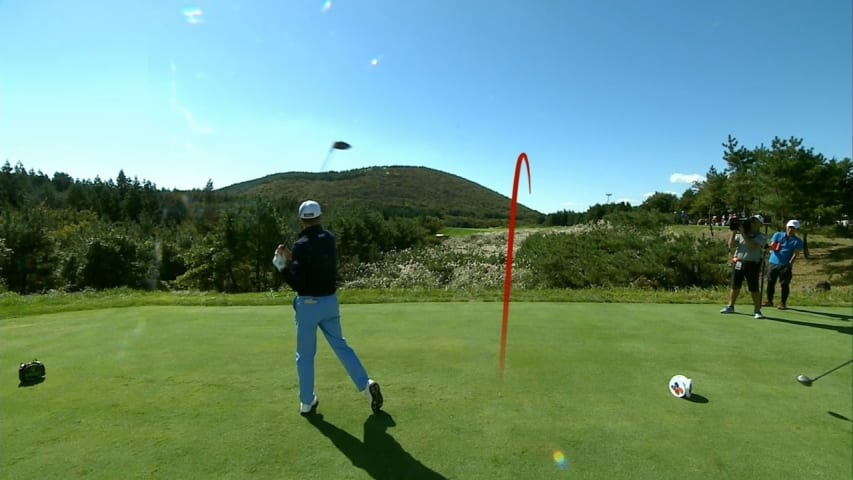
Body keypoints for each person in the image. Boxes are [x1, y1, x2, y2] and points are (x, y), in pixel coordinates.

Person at [274, 200, 383, 416]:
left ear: (301, 220)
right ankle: (365, 384)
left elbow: (299, 283)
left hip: (308, 306)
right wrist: (291, 256)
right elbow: (311, 260)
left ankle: (307, 402)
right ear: (320, 217)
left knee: (305, 356)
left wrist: (282, 266)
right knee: (341, 346)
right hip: (330, 303)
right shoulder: (329, 238)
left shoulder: (301, 244)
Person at [720, 215, 767, 319]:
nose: (752, 223)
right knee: (735, 285)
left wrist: (742, 232)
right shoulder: (741, 234)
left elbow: (752, 245)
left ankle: (757, 310)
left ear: (760, 224)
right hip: (739, 262)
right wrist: (733, 231)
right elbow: (730, 245)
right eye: (752, 221)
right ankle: (730, 306)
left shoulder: (761, 236)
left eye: (755, 222)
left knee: (754, 288)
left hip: (752, 264)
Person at [763, 219, 804, 310]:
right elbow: (773, 245)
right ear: (786, 227)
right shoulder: (778, 235)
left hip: (785, 264)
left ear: (796, 229)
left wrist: (790, 264)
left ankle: (782, 303)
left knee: (784, 284)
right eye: (789, 227)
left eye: (793, 228)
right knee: (770, 282)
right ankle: (769, 300)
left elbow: (795, 254)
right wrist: (768, 246)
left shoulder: (797, 241)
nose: (791, 230)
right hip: (773, 262)